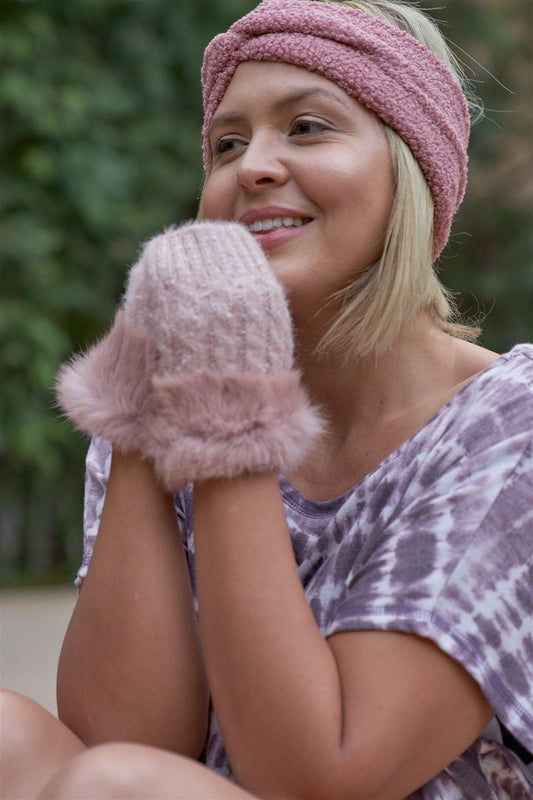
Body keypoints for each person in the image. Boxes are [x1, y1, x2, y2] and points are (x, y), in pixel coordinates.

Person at [1, 1, 531, 798]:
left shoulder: (508, 426)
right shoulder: (196, 365)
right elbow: (125, 735)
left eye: (309, 127)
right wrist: (156, 404)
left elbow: (321, 776)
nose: (251, 167)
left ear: (411, 171)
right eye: (226, 143)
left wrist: (225, 413)